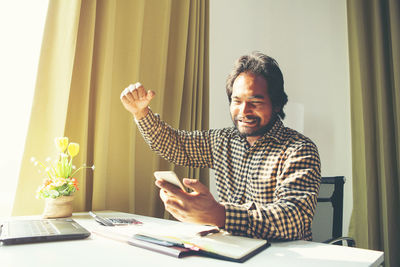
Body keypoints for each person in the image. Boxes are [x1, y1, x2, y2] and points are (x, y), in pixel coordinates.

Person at [120, 52, 321, 241]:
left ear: (276, 104)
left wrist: (220, 214)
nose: (244, 111)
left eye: (255, 102)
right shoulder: (222, 140)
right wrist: (141, 113)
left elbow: (295, 219)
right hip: (231, 251)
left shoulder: (299, 150)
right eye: (237, 101)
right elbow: (176, 145)